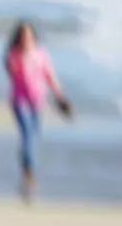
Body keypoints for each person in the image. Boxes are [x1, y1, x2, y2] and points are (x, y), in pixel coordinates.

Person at [4, 21, 71, 202]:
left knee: (34, 137)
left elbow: (50, 76)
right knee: (27, 135)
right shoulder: (14, 54)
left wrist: (60, 97)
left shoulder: (41, 54)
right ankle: (29, 174)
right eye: (23, 36)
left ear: (33, 36)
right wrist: (17, 59)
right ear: (19, 38)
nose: (26, 39)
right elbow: (11, 72)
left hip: (38, 101)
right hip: (20, 102)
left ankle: (27, 169)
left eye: (29, 35)